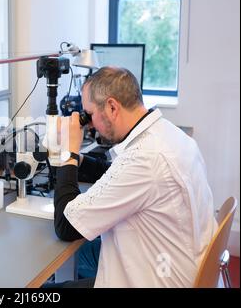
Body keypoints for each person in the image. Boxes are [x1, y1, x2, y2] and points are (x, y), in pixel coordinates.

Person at [52, 66, 217, 288]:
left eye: (89, 114)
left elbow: (66, 226)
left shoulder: (144, 160)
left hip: (158, 278)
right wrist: (80, 161)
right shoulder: (168, 134)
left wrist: (68, 154)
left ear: (112, 107)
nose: (89, 125)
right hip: (177, 261)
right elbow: (116, 174)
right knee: (86, 253)